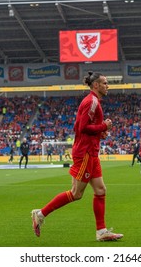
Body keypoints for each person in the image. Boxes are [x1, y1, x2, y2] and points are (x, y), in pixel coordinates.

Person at [31, 71, 123, 242]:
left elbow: (80, 126)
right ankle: (40, 214)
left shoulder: (93, 101)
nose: (107, 85)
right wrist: (103, 126)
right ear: (96, 85)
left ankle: (101, 231)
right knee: (76, 193)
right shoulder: (91, 102)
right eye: (104, 83)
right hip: (85, 153)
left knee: (101, 190)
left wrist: (99, 132)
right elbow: (82, 127)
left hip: (92, 152)